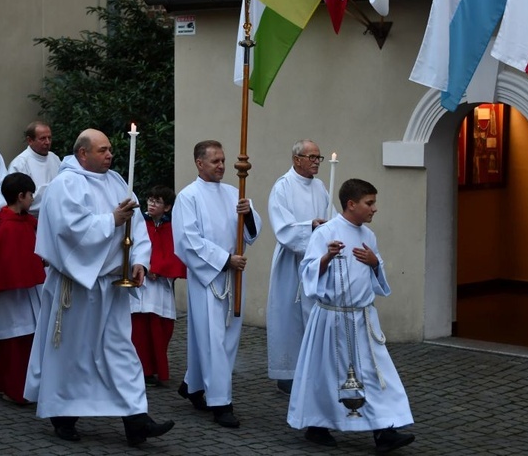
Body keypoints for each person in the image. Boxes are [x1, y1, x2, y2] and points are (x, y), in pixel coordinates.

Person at [24, 129, 174, 447]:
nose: (109, 155)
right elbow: (68, 230)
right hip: (77, 288)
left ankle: (136, 419)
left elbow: (137, 226)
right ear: (82, 154)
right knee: (73, 354)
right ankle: (62, 416)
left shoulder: (117, 180)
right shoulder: (65, 185)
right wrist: (111, 220)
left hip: (112, 286)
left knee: (121, 351)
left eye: (110, 150)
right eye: (102, 150)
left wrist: (139, 260)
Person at [287, 179, 415, 454]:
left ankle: (385, 429)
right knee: (326, 373)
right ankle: (317, 426)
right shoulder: (325, 233)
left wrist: (374, 263)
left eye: (373, 202)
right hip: (332, 319)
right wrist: (326, 258)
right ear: (351, 204)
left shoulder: (368, 236)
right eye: (369, 203)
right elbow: (307, 273)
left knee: (375, 374)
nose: (374, 209)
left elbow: (376, 275)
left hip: (363, 320)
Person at [172, 140, 261, 429]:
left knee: (225, 338)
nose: (222, 166)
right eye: (215, 161)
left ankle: (194, 385)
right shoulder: (188, 197)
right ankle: (221, 402)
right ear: (200, 163)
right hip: (209, 277)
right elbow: (187, 241)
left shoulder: (235, 193)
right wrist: (224, 260)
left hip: (234, 276)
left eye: (223, 160)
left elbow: (250, 234)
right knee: (213, 339)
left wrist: (247, 214)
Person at [267, 140, 335, 395]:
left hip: (317, 263)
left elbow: (333, 216)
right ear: (297, 159)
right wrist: (311, 227)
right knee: (290, 318)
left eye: (319, 157)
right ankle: (288, 373)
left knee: (312, 316)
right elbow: (283, 229)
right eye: (312, 157)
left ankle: (313, 370)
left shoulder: (319, 186)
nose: (317, 162)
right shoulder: (282, 187)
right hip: (291, 263)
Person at [0, 172, 46, 404]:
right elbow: (9, 263)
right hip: (12, 294)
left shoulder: (24, 222)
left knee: (22, 339)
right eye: (30, 195)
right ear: (20, 196)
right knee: (16, 341)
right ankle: (15, 389)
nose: (32, 199)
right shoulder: (8, 226)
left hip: (24, 291)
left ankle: (5, 383)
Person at [130, 185, 186, 388]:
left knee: (161, 329)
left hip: (161, 286)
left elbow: (175, 254)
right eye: (150, 200)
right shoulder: (139, 223)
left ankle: (156, 368)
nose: (152, 204)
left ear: (168, 207)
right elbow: (134, 246)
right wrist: (144, 265)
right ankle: (141, 370)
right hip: (142, 285)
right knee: (140, 329)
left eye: (158, 201)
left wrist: (160, 269)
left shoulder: (172, 228)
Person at [7, 121, 62, 216]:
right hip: (31, 218)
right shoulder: (20, 163)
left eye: (49, 138)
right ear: (30, 140)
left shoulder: (55, 158)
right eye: (43, 138)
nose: (47, 142)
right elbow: (17, 200)